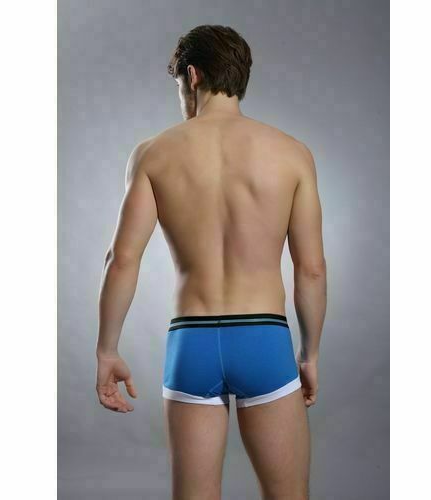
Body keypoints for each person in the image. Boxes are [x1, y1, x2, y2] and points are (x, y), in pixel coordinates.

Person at [95, 24, 327, 500]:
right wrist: (310, 354)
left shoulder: (153, 154)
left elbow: (121, 260)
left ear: (193, 75)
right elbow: (311, 269)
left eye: (179, 86)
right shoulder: (292, 154)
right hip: (264, 338)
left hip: (191, 341)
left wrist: (107, 351)